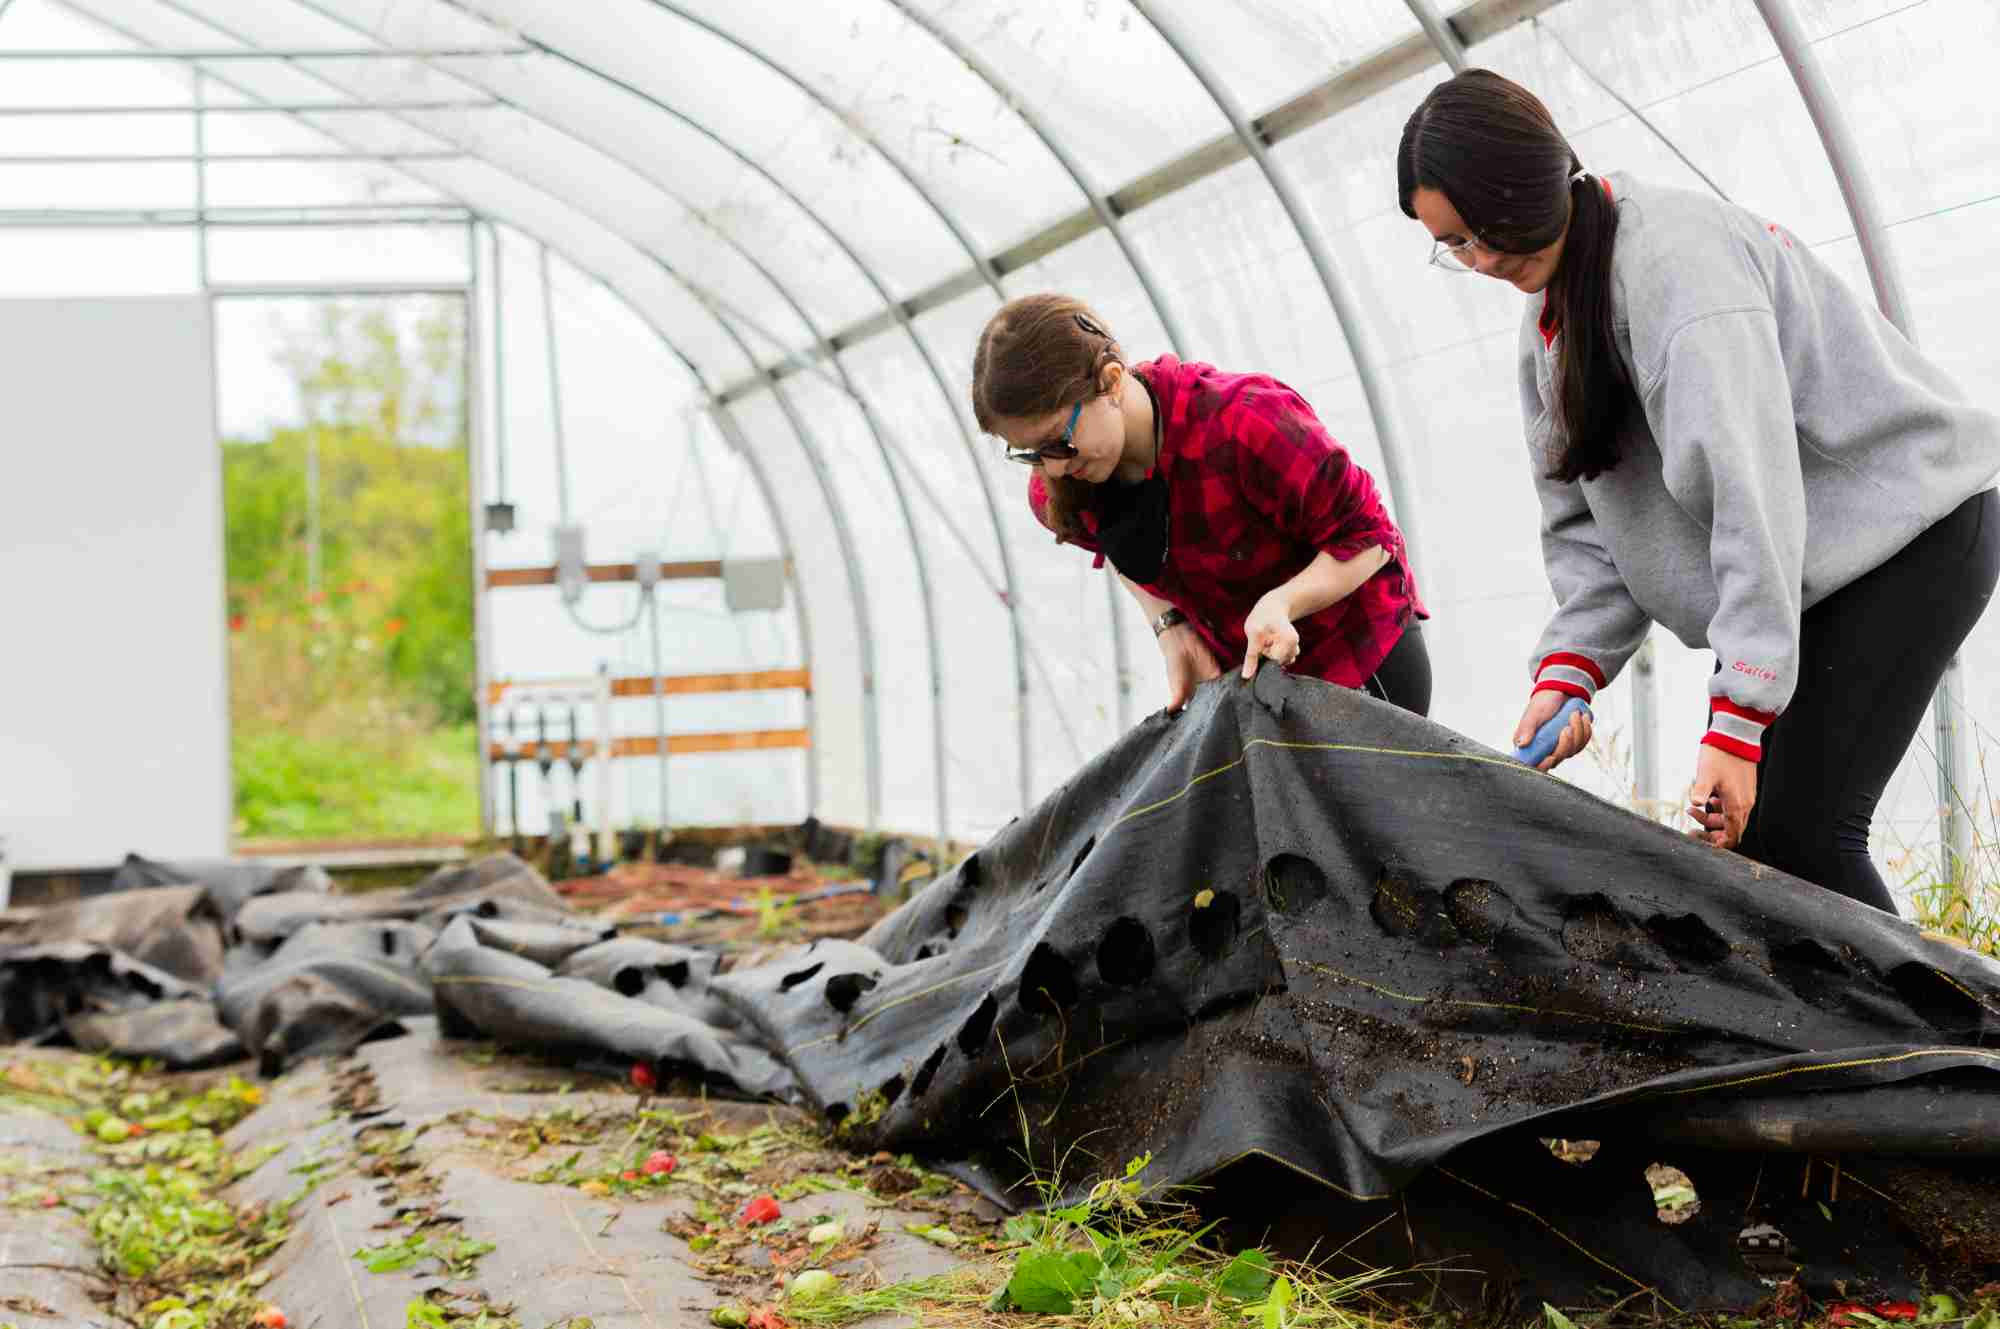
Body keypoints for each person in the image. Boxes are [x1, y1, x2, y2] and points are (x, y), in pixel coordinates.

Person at [1397, 68, 2000, 912]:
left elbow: (1752, 499)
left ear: (1529, 178)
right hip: (1804, 570)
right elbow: (1591, 534)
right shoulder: (1552, 330)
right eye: (1455, 245)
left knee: (1801, 834)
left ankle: (1945, 1042)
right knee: (1748, 847)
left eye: (1482, 227)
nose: (1485, 258)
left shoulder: (1677, 272)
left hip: (1908, 535)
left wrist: (1737, 720)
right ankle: (1839, 1043)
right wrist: (1566, 677)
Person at [971, 293, 1430, 717]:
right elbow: (1114, 548)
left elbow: (1371, 537)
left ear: (1111, 381)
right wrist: (1168, 624)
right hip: (1255, 689)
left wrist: (1285, 602)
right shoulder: (1062, 483)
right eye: (1029, 453)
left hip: (1359, 661)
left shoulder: (1244, 424)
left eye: (1057, 442)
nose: (1051, 469)